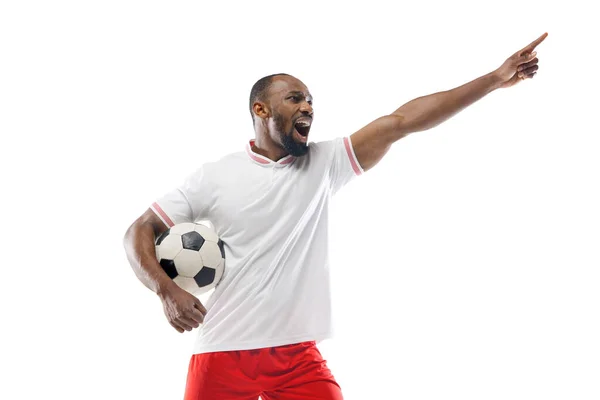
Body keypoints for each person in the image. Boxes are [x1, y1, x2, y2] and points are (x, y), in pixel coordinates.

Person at [123, 32, 548, 400]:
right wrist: (166, 291)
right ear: (261, 110)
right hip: (223, 348)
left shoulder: (326, 163)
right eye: (294, 98)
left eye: (310, 99)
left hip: (297, 356)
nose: (307, 106)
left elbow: (400, 122)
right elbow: (139, 230)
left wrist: (493, 80)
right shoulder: (215, 176)